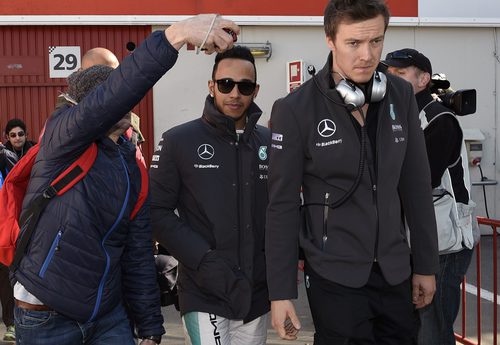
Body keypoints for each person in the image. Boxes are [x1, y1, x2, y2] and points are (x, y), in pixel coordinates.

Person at [11, 14, 239, 345]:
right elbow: (110, 99)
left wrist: (149, 323)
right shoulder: (63, 134)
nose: (124, 103)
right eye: (111, 96)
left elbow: (136, 249)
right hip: (46, 312)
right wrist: (176, 35)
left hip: (107, 315)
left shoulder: (130, 163)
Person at [265, 1, 440, 344]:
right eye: (354, 43)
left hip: (394, 271)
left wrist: (425, 265)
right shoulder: (295, 109)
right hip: (334, 275)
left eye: (376, 41)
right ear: (330, 39)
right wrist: (281, 292)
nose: (367, 54)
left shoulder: (400, 95)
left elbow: (417, 188)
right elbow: (281, 206)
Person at [150, 46, 270, 345]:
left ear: (255, 91)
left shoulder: (271, 142)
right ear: (211, 86)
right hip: (204, 291)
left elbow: (283, 211)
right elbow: (155, 211)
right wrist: (202, 258)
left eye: (244, 86)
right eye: (225, 84)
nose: (234, 93)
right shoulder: (179, 141)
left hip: (256, 294)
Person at [383, 48, 477, 345]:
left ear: (423, 79)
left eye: (400, 74)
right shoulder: (400, 116)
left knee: (431, 331)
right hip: (418, 241)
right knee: (413, 328)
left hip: (444, 245)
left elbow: (418, 182)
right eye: (388, 74)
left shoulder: (439, 119)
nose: (390, 80)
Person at [0, 142, 17, 341]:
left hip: (3, 224)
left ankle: (11, 323)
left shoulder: (4, 156)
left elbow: (18, 185)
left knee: (5, 276)